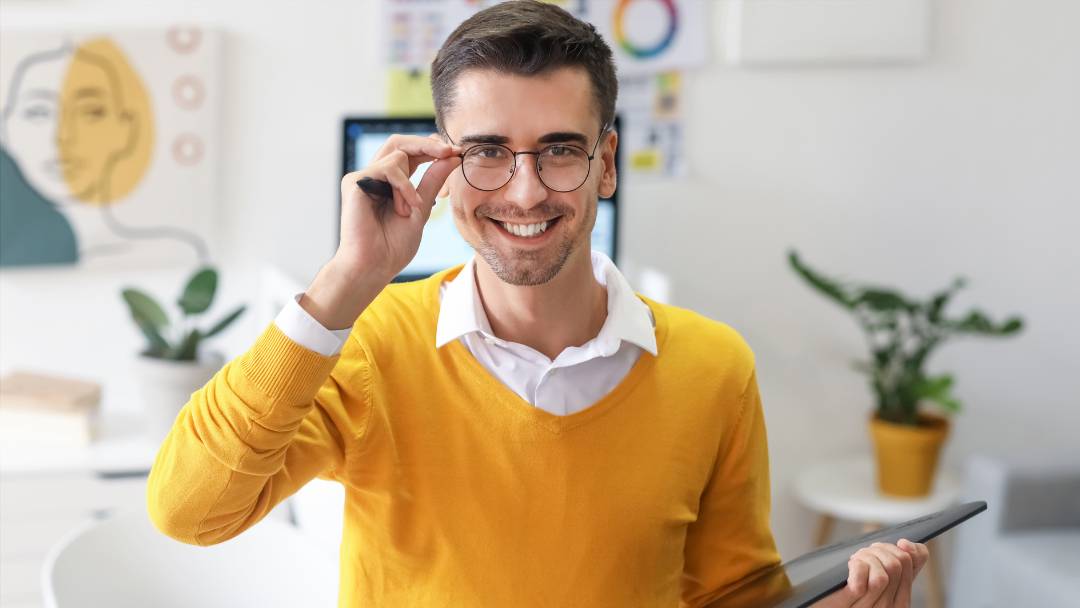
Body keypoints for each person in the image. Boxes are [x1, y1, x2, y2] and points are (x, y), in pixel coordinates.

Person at [146, 2, 928, 606]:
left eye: (559, 149)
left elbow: (731, 595)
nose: (525, 191)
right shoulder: (370, 345)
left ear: (607, 162)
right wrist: (347, 281)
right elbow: (189, 511)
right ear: (441, 167)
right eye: (487, 152)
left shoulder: (714, 366)